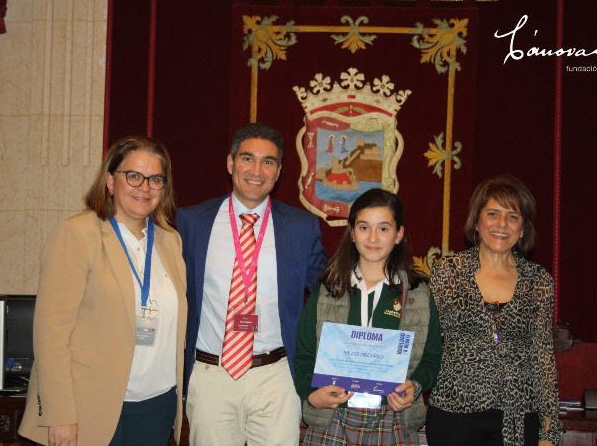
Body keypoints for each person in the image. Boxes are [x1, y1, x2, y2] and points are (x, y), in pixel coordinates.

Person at [19, 136, 188, 446]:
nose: (145, 187)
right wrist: (59, 414)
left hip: (156, 405)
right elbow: (51, 333)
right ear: (111, 181)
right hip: (89, 405)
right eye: (133, 176)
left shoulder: (170, 242)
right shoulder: (78, 234)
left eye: (155, 179)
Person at [176, 122, 327, 446]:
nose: (256, 170)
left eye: (268, 162)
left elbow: (329, 294)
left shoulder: (301, 227)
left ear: (279, 170)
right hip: (211, 374)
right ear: (231, 163)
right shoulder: (191, 222)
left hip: (276, 377)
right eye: (247, 159)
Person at [294, 188, 442, 445]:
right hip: (333, 417)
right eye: (364, 227)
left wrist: (415, 386)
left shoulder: (419, 294)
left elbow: (432, 357)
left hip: (394, 419)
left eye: (383, 229)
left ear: (399, 235)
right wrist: (311, 394)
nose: (373, 237)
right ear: (352, 233)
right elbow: (304, 354)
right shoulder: (328, 289)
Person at [425, 175, 562, 446]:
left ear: (523, 229)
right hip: (453, 413)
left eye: (513, 217)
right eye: (493, 214)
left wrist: (549, 429)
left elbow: (543, 357)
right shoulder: (447, 271)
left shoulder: (539, 280)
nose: (502, 224)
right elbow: (427, 343)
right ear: (476, 222)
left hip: (519, 415)